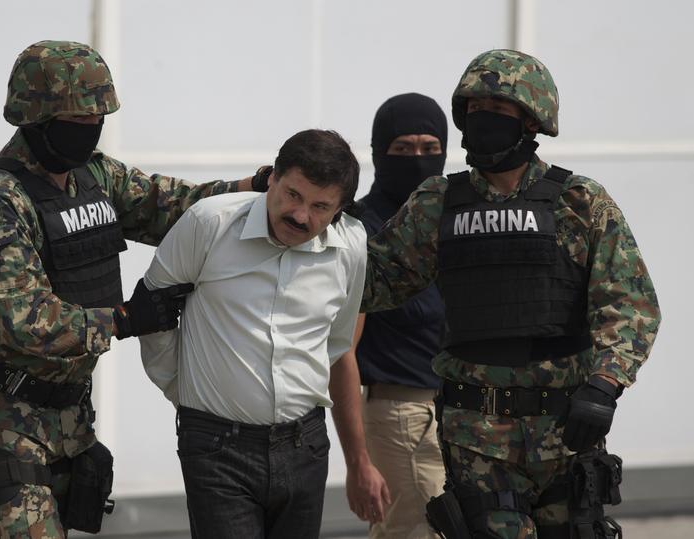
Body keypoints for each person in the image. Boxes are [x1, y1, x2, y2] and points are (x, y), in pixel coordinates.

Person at [0, 40, 251, 538]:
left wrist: (258, 188)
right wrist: (126, 320)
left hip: (69, 419)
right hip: (7, 420)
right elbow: (27, 323)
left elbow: (174, 207)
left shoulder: (94, 175)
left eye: (96, 121)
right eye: (77, 123)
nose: (90, 132)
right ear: (35, 118)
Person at [361, 50, 661, 539]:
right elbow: (377, 281)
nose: (483, 123)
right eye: (474, 111)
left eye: (497, 113)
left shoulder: (579, 202)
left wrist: (605, 385)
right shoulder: (437, 202)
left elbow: (630, 304)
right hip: (475, 435)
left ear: (532, 121)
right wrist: (316, 242)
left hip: (565, 431)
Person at [139, 129, 390, 538]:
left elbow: (337, 340)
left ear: (340, 210)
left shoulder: (351, 247)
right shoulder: (209, 223)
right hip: (216, 448)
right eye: (293, 194)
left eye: (320, 206)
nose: (301, 215)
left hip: (306, 447)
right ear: (271, 178)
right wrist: (185, 392)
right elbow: (153, 315)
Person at [343, 93, 448, 539]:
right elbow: (342, 351)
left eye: (430, 148)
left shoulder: (453, 219)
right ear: (378, 153)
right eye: (403, 148)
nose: (418, 159)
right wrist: (358, 461)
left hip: (464, 418)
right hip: (403, 417)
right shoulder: (362, 231)